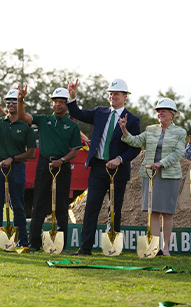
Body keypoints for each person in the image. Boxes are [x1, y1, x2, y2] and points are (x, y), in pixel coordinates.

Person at [67, 78, 141, 256]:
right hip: (99, 168)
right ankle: (85, 248)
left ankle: (111, 247)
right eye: (110, 94)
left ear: (125, 96)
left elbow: (136, 147)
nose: (112, 96)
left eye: (116, 94)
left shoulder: (132, 120)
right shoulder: (100, 112)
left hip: (119, 170)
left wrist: (120, 159)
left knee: (114, 209)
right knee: (91, 207)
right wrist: (72, 96)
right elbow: (77, 113)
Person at [17, 85, 82, 252]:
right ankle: (34, 243)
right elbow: (23, 116)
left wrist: (61, 160)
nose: (58, 104)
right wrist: (20, 100)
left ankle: (61, 243)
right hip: (44, 164)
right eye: (55, 101)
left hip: (63, 166)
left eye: (62, 102)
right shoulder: (43, 119)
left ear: (67, 104)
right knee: (39, 202)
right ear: (52, 104)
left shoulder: (72, 125)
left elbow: (74, 151)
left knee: (61, 204)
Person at [119, 97, 186, 256]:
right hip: (150, 175)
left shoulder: (180, 132)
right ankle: (155, 248)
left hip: (169, 176)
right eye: (158, 111)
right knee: (153, 212)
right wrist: (124, 129)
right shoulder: (150, 130)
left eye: (164, 110)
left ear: (172, 114)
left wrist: (161, 163)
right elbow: (135, 141)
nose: (160, 113)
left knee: (167, 213)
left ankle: (166, 248)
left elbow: (178, 153)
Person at [0, 89, 37, 250]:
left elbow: (31, 152)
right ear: (5, 104)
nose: (11, 104)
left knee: (17, 205)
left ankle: (23, 241)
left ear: (20, 104)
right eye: (9, 101)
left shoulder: (26, 127)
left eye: (15, 101)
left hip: (17, 167)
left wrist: (12, 159)